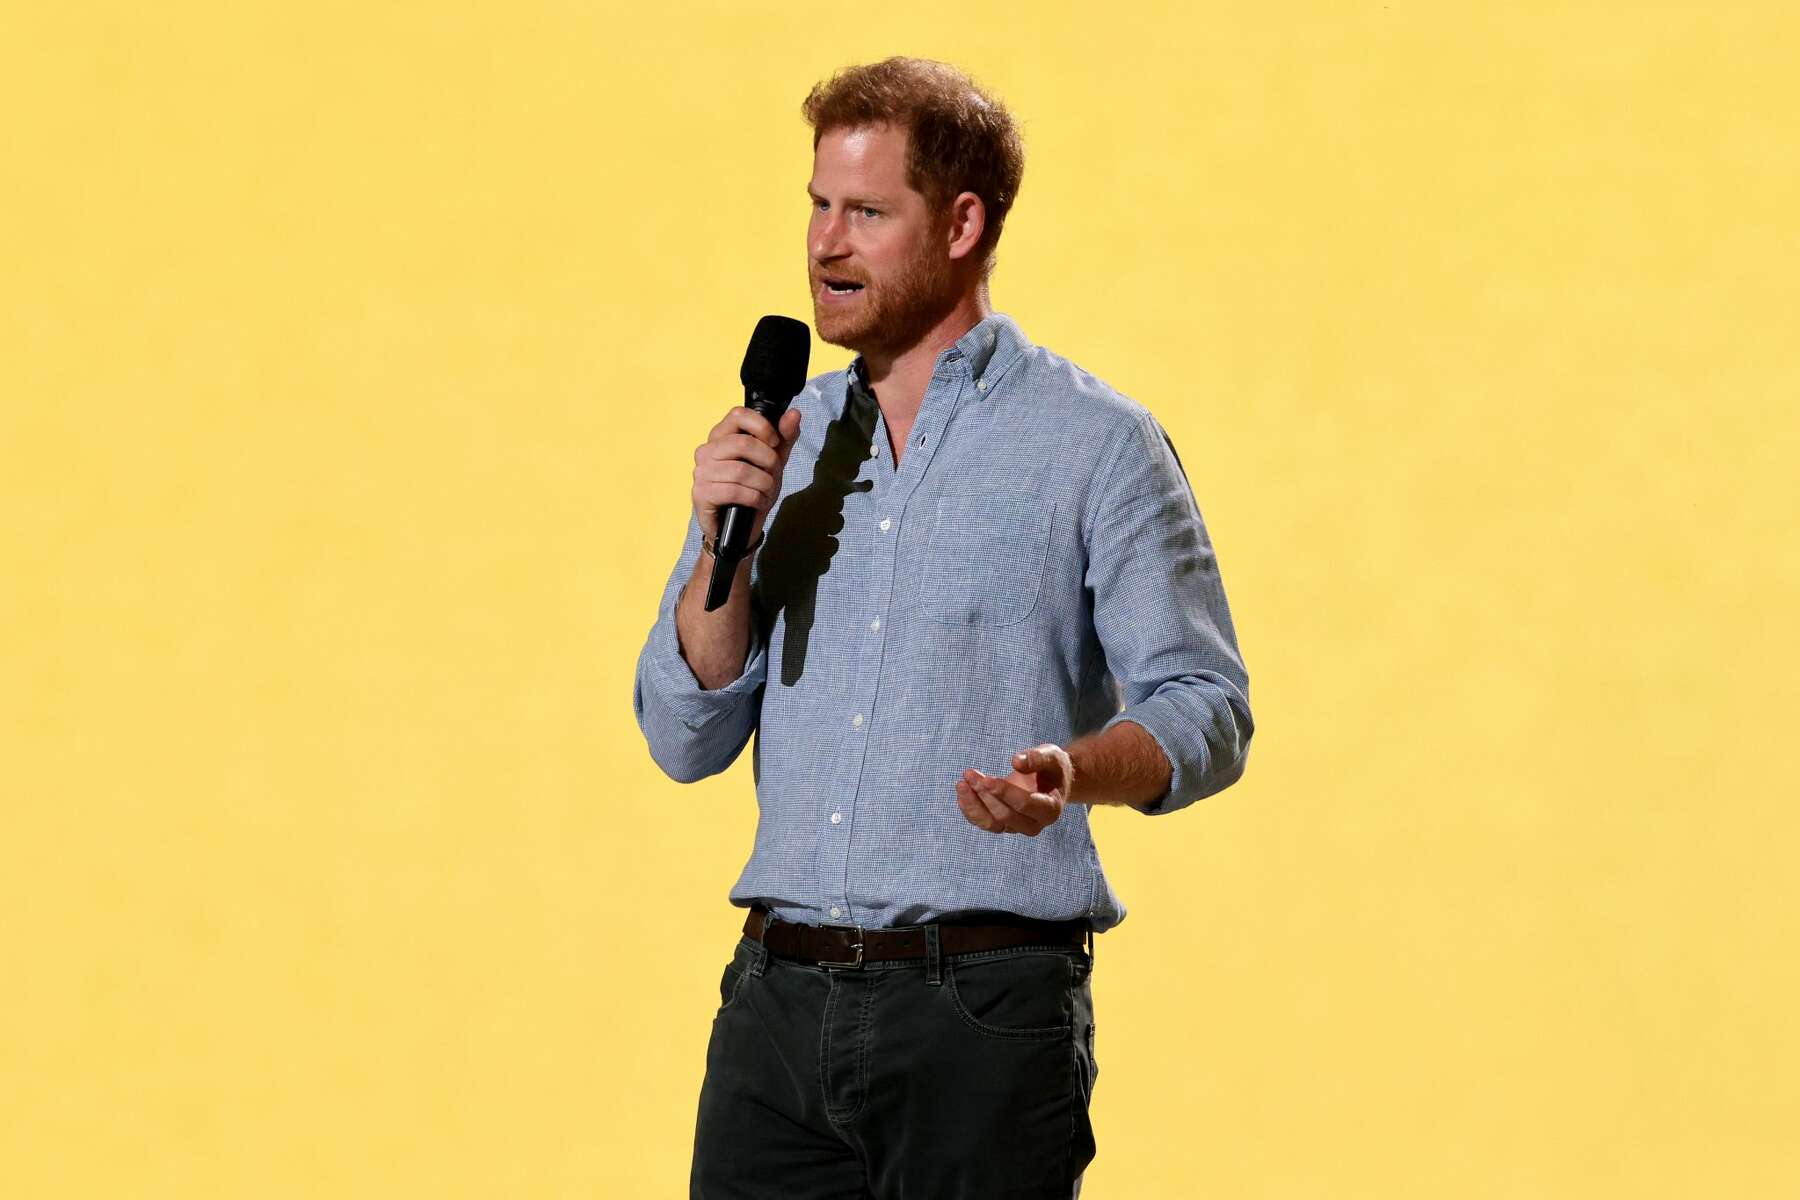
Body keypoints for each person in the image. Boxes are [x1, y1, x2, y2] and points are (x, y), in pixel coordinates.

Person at [632, 56, 1253, 1199]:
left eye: (867, 212)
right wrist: (730, 537)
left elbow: (1206, 706)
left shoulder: (1096, 444)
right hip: (775, 1007)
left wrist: (1072, 771)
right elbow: (686, 735)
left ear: (963, 223)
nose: (827, 244)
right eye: (818, 206)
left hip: (979, 1012)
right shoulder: (778, 442)